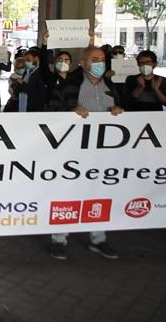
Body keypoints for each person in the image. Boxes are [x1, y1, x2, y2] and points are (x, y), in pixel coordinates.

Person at [47, 46, 122, 260]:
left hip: (103, 151)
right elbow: (50, 111)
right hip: (73, 151)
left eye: (102, 59)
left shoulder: (110, 86)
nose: (100, 63)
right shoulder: (68, 85)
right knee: (67, 193)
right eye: (95, 59)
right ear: (83, 62)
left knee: (99, 194)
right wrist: (69, 112)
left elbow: (121, 108)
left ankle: (98, 239)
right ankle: (59, 239)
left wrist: (118, 110)